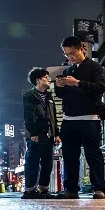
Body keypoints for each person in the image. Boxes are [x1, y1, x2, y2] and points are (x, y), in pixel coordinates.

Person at [55, 36, 105, 199]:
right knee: (70, 156)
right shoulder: (67, 71)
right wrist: (59, 87)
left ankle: (99, 188)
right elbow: (61, 95)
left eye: (72, 53)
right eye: (66, 54)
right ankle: (70, 189)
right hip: (69, 120)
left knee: (93, 155)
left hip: (89, 118)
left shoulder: (95, 68)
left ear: (81, 49)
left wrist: (77, 83)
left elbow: (100, 88)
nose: (69, 57)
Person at [22, 68, 60, 199]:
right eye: (46, 77)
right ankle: (29, 190)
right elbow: (29, 116)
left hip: (49, 135)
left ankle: (43, 189)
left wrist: (57, 134)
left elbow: (53, 116)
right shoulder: (29, 96)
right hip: (36, 135)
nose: (49, 79)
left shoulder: (49, 96)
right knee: (32, 162)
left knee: (47, 163)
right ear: (38, 80)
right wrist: (33, 133)